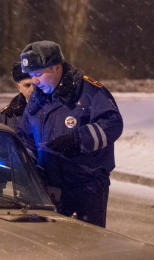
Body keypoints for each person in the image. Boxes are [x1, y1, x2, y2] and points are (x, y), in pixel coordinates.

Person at [17, 40, 123, 228]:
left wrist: (77, 140)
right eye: (32, 76)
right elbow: (25, 137)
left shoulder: (88, 91)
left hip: (86, 188)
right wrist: (28, 164)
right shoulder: (37, 98)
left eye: (39, 74)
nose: (35, 81)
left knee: (86, 247)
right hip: (49, 190)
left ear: (57, 68)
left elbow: (112, 124)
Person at [0, 62, 35, 133]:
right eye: (27, 85)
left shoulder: (54, 108)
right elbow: (0, 142)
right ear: (19, 87)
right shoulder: (8, 114)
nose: (32, 89)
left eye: (36, 84)